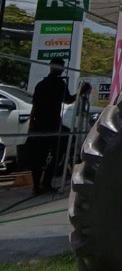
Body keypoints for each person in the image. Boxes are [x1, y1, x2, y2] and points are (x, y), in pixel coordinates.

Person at [27, 57, 75, 195]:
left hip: (39, 125)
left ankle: (36, 186)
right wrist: (80, 93)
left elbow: (34, 106)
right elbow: (68, 100)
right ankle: (46, 183)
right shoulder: (59, 84)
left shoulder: (41, 84)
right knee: (56, 154)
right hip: (52, 125)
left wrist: (31, 125)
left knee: (38, 156)